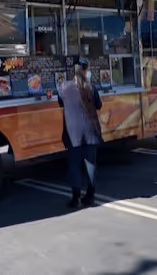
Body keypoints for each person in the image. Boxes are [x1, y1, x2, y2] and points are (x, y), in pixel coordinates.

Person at [57, 59, 103, 207]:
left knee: (74, 165)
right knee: (90, 165)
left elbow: (60, 103)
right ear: (85, 71)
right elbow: (99, 105)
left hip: (72, 132)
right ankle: (90, 196)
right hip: (90, 131)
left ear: (73, 71)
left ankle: (75, 197)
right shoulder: (91, 87)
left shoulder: (63, 87)